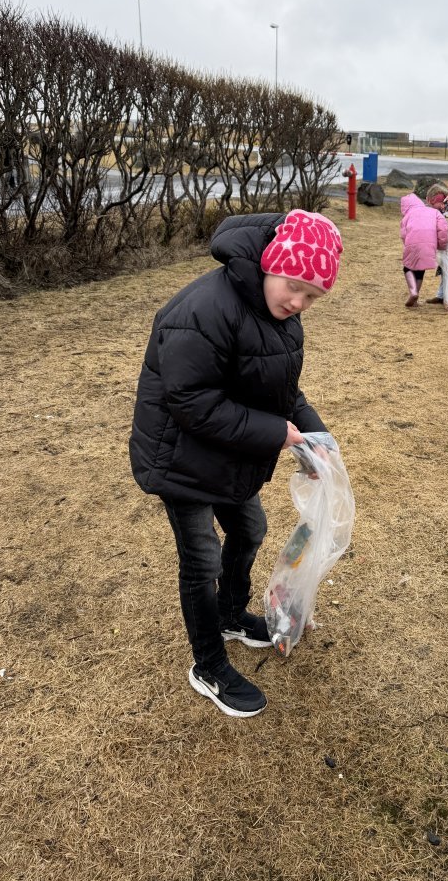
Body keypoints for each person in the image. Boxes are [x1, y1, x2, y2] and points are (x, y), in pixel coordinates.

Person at [129, 209, 343, 718]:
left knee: (250, 527)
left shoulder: (281, 318)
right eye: (294, 286)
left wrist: (314, 435)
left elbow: (282, 390)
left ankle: (229, 614)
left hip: (224, 451)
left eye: (312, 296)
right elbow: (191, 401)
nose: (299, 302)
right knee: (201, 557)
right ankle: (208, 665)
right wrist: (276, 434)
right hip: (179, 455)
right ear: (271, 262)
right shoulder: (204, 308)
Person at [399, 192, 448, 307]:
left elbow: (403, 234)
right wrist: (442, 245)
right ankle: (415, 297)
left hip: (412, 243)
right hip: (429, 244)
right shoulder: (434, 212)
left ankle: (413, 292)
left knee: (408, 268)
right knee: (421, 270)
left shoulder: (408, 216)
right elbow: (443, 228)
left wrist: (406, 244)